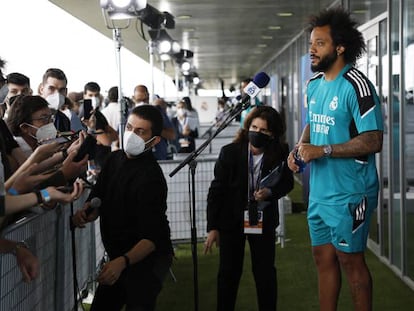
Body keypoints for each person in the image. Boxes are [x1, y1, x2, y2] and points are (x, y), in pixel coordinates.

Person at [287, 7, 383, 311]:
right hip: (320, 193)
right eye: (311, 43)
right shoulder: (314, 84)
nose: (312, 50)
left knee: (350, 262)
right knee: (322, 258)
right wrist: (301, 147)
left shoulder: (358, 85)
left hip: (351, 192)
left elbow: (373, 139)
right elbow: (315, 122)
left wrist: (324, 150)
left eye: (320, 44)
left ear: (339, 48)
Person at [72, 105, 173, 311]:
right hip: (118, 255)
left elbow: (151, 238)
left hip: (147, 259)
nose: (131, 134)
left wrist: (122, 262)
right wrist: (88, 211)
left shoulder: (151, 179)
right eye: (129, 127)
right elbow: (98, 197)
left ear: (154, 141)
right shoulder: (114, 159)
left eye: (140, 131)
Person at [204, 106, 294, 311]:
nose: (257, 133)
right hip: (231, 220)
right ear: (247, 127)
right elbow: (216, 191)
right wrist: (213, 227)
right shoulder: (230, 152)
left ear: (273, 134)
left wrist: (270, 193)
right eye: (254, 127)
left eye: (264, 130)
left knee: (264, 273)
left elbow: (287, 183)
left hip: (263, 218)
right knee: (228, 273)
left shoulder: (280, 152)